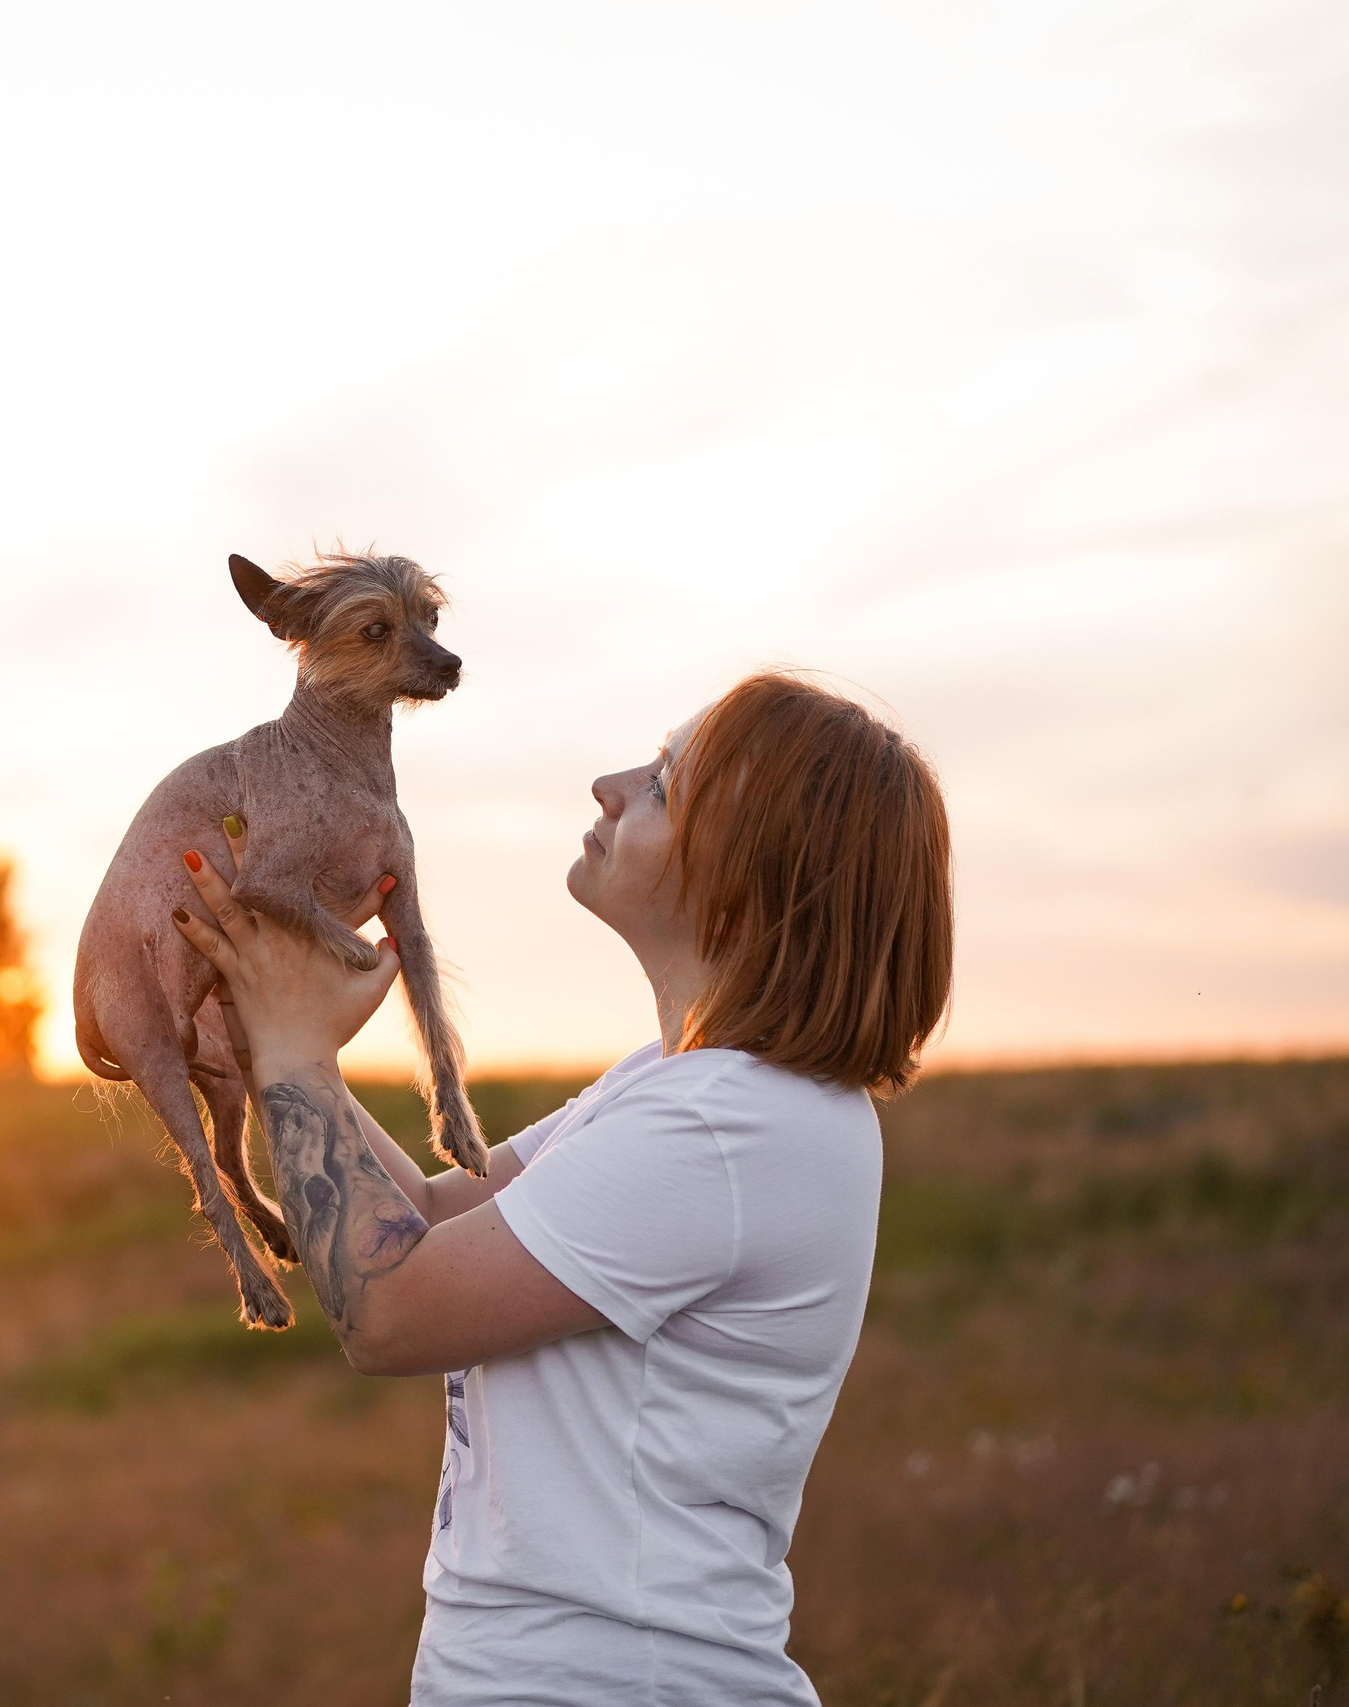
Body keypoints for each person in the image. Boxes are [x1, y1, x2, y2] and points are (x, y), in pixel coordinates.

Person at [171, 669, 953, 1705]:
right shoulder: (678, 1084)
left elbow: (390, 1309)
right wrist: (259, 1048)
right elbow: (431, 1221)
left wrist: (292, 1052)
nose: (608, 784)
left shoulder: (734, 1123)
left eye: (667, 786)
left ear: (758, 874)